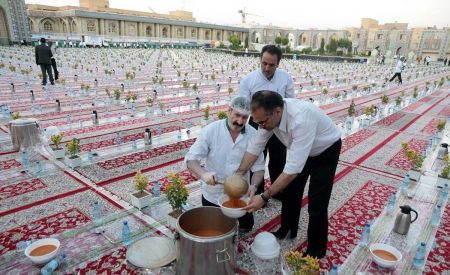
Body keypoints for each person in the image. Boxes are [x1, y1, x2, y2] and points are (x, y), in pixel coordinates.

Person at [237, 91, 342, 258]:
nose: (261, 126)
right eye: (257, 122)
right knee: (291, 192)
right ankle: (287, 228)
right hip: (300, 149)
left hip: (325, 150)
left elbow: (292, 170)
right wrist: (239, 173)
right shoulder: (267, 117)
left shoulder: (301, 119)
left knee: (317, 202)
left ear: (277, 112)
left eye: (262, 122)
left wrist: (264, 197)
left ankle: (316, 249)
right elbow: (255, 147)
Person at [185, 96, 265, 233]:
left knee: (246, 227)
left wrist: (254, 185)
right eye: (237, 115)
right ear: (229, 111)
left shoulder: (254, 135)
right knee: (216, 229)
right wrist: (204, 174)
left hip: (241, 193)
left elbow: (259, 169)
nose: (240, 121)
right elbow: (190, 161)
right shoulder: (211, 131)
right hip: (213, 194)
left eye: (245, 117)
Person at [238, 45, 294, 197]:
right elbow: (242, 105)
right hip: (256, 123)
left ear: (278, 64)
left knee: (278, 158)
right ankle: (258, 191)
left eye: (271, 65)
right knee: (256, 157)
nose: (267, 68)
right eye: (264, 63)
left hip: (278, 123)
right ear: (260, 59)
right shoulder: (249, 80)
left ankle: (277, 190)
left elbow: (290, 102)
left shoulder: (286, 78)